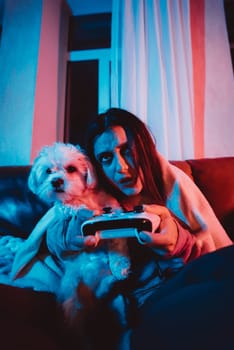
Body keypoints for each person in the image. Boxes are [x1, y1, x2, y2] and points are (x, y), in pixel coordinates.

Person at [83, 107, 233, 348]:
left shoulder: (172, 181)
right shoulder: (93, 201)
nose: (121, 167)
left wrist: (178, 240)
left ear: (142, 147)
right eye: (106, 158)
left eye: (126, 150)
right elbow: (57, 231)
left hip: (191, 280)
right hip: (147, 305)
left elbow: (212, 248)